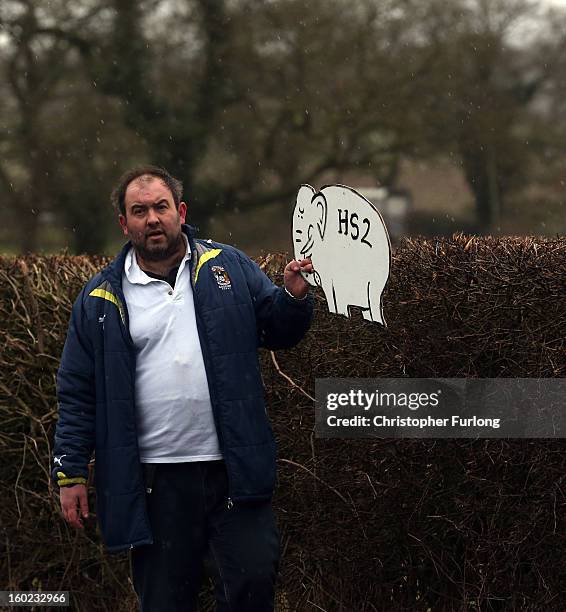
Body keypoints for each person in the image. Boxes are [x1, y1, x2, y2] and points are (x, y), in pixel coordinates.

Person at [52, 165, 314, 611]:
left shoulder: (228, 265)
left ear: (181, 211)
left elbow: (278, 330)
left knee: (253, 585)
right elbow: (77, 391)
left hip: (232, 472)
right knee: (165, 602)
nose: (152, 219)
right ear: (124, 223)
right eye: (139, 211)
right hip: (155, 482)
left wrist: (292, 296)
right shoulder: (99, 297)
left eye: (160, 207)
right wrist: (71, 471)